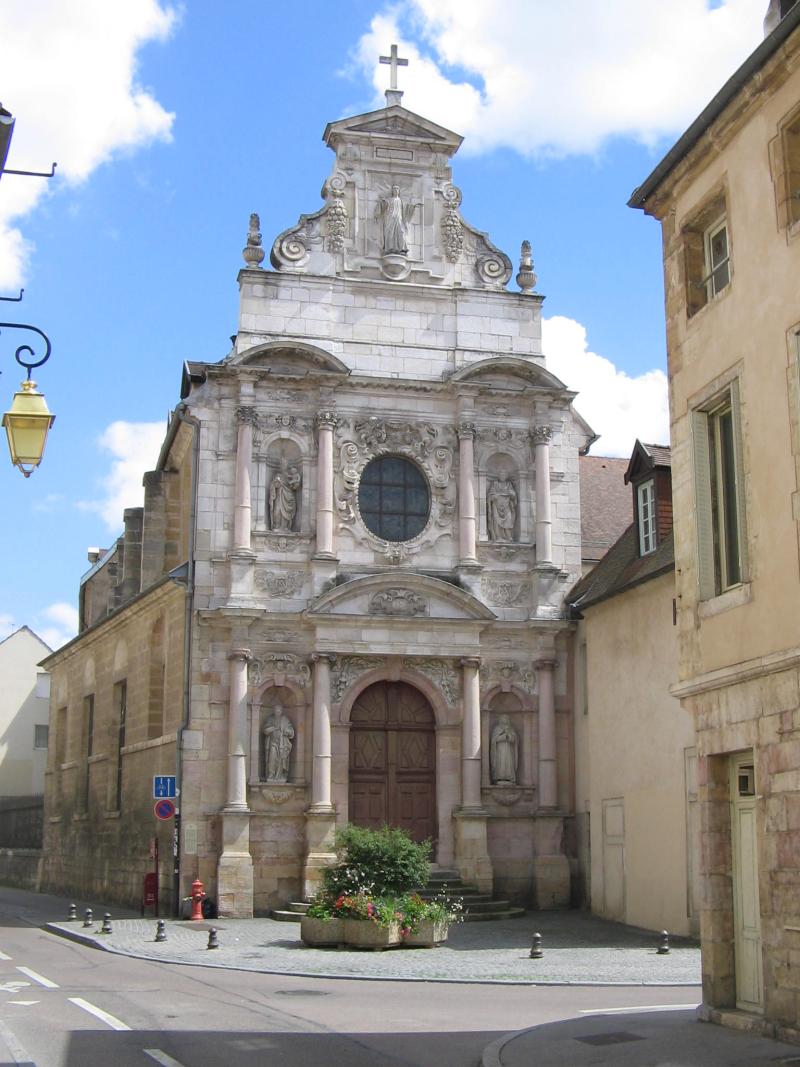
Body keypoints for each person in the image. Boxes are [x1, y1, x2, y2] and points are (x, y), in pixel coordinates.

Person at [376, 185, 412, 254]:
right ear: (392, 191)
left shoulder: (401, 200)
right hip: (390, 218)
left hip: (399, 218)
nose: (395, 190)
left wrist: (413, 206)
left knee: (401, 232)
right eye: (394, 189)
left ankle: (402, 249)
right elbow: (384, 207)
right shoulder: (389, 200)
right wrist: (382, 201)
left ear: (399, 191)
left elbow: (407, 207)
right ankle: (390, 248)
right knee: (390, 232)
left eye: (397, 189)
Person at [263, 705, 294, 782]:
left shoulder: (285, 720)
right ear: (274, 710)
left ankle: (280, 775)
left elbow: (291, 732)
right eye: (276, 710)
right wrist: (272, 728)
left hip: (282, 744)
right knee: (272, 758)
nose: (278, 712)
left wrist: (286, 731)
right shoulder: (270, 719)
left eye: (279, 710)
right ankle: (271, 774)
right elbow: (265, 730)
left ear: (281, 711)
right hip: (272, 743)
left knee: (281, 759)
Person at [269, 466, 301, 531]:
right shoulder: (278, 475)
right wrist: (276, 482)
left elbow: (295, 487)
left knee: (287, 513)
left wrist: (295, 481)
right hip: (279, 496)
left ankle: (284, 527)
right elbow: (274, 485)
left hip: (289, 497)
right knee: (277, 511)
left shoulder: (292, 477)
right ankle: (277, 526)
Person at [490, 714, 518, 785]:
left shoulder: (511, 729)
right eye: (503, 718)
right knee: (501, 762)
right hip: (500, 749)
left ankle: (509, 777)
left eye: (506, 718)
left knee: (508, 762)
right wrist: (503, 736)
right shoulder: (497, 729)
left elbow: (514, 739)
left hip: (508, 750)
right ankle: (499, 777)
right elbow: (494, 740)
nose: (504, 720)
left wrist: (509, 736)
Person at [487, 476, 517, 541]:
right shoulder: (495, 484)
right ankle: (498, 536)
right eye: (501, 473)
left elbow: (513, 496)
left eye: (504, 473)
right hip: (496, 505)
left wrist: (511, 494)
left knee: (508, 519)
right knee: (495, 519)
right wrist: (494, 497)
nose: (502, 475)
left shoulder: (509, 485)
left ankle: (508, 536)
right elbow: (490, 495)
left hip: (507, 506)